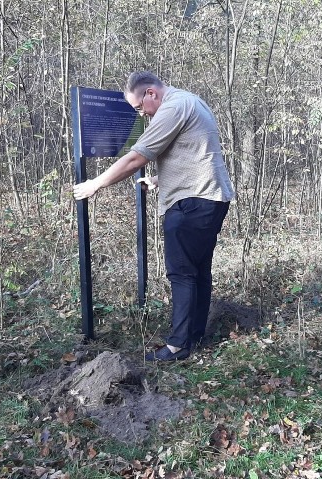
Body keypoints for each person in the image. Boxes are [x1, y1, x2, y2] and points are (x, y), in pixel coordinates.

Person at [73, 71, 235, 362]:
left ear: (150, 93)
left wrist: (95, 184)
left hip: (192, 204)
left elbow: (137, 157)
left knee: (182, 273)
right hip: (210, 198)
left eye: (139, 108)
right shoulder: (191, 100)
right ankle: (195, 334)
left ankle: (178, 346)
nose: (141, 114)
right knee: (198, 270)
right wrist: (163, 179)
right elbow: (196, 152)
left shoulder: (172, 107)